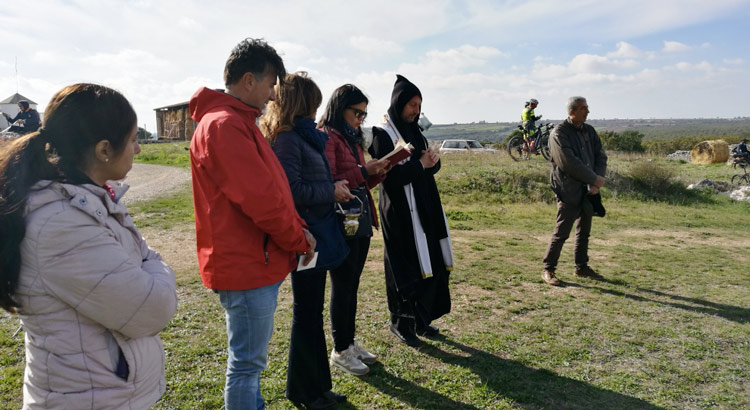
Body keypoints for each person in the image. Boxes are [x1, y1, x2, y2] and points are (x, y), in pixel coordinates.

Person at [0, 83, 178, 409]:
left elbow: (141, 257)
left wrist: (146, 262)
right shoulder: (61, 225)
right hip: (89, 398)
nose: (138, 149)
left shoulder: (85, 200)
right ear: (104, 150)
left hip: (99, 392)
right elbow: (153, 309)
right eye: (133, 139)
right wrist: (156, 265)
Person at [189, 39, 315, 410]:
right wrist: (298, 238)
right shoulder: (225, 126)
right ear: (248, 80)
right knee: (246, 365)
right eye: (271, 83)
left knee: (249, 364)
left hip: (252, 260)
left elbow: (273, 191)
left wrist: (297, 228)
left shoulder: (236, 123)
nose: (274, 94)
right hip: (245, 264)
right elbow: (262, 201)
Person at [262, 72, 351, 410]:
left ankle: (318, 387)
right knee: (306, 314)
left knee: (312, 313)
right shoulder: (288, 139)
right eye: (313, 103)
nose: (317, 110)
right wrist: (330, 190)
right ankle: (304, 391)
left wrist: (330, 188)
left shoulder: (303, 137)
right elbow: (292, 190)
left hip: (316, 232)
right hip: (305, 237)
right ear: (302, 104)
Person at [370, 75, 453, 347]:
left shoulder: (415, 130)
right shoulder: (383, 134)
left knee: (427, 262)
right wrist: (421, 165)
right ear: (399, 103)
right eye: (412, 105)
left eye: (419, 105)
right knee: (402, 266)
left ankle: (421, 318)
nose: (416, 111)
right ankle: (400, 323)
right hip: (399, 211)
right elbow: (388, 177)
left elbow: (427, 166)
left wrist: (433, 162)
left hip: (424, 206)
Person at [320, 84, 390, 375]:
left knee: (353, 284)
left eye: (364, 114)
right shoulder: (328, 136)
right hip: (341, 220)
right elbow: (330, 179)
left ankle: (349, 342)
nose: (361, 119)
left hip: (359, 217)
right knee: (343, 285)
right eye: (356, 113)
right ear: (340, 109)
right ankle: (340, 349)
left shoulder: (352, 138)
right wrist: (364, 171)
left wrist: (377, 173)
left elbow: (359, 182)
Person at [542, 96, 608, 286]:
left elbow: (600, 156)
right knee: (562, 231)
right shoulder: (559, 133)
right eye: (583, 108)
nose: (587, 111)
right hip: (568, 189)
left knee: (584, 231)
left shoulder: (589, 131)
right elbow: (568, 162)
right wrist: (594, 179)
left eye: (587, 107)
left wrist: (596, 182)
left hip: (589, 190)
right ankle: (548, 269)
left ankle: (581, 267)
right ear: (572, 111)